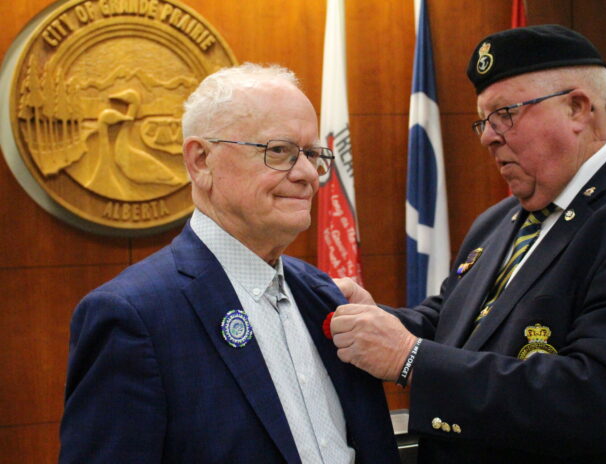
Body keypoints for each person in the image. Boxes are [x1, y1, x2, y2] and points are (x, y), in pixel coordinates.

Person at [330, 25, 606, 463]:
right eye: (484, 121)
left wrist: (411, 360)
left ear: (579, 108)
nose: (488, 136)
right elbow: (452, 323)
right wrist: (368, 318)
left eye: (506, 114)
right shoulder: (501, 220)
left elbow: (595, 400)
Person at [59, 63, 400, 464]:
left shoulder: (322, 293)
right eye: (280, 151)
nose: (308, 174)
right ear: (201, 160)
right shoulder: (134, 316)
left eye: (311, 154)